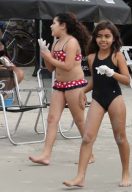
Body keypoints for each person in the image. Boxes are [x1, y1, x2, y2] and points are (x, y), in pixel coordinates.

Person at [63, 21, 132, 188]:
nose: (103, 40)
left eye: (107, 36)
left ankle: (126, 173)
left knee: (120, 138)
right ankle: (80, 177)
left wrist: (112, 73)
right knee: (87, 137)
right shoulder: (92, 57)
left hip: (115, 98)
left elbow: (127, 80)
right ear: (95, 38)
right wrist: (82, 91)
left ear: (114, 38)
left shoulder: (117, 56)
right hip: (98, 98)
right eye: (100, 36)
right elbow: (95, 80)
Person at [29, 13, 92, 166]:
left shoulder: (71, 42)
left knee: (79, 121)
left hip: (74, 85)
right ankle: (45, 155)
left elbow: (69, 66)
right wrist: (45, 53)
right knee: (52, 119)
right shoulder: (56, 43)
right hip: (59, 85)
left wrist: (49, 57)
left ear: (63, 25)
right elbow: (51, 68)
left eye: (54, 23)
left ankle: (89, 153)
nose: (51, 26)